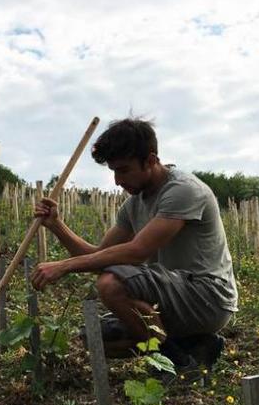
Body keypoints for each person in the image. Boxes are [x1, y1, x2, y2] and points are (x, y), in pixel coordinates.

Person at [30, 117, 238, 374]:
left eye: (124, 170)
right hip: (170, 298)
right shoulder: (134, 204)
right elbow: (98, 256)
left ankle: (176, 364)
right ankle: (194, 344)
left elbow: (138, 251)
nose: (117, 180)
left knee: (111, 284)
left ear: (151, 160)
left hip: (207, 297)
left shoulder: (184, 190)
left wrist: (65, 266)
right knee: (95, 338)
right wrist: (57, 226)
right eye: (114, 171)